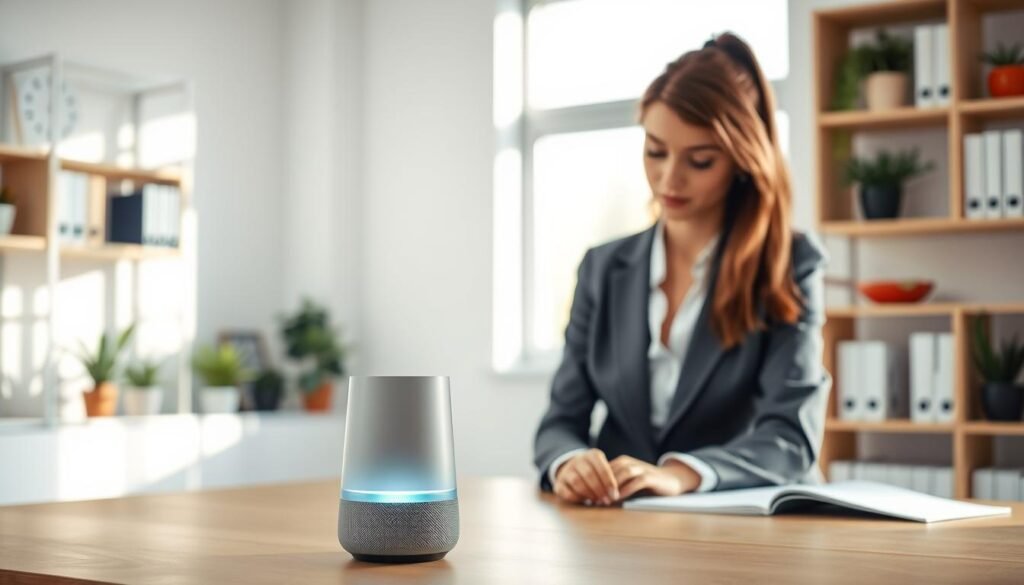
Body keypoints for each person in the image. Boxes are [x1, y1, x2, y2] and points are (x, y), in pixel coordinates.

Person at [533, 32, 831, 506]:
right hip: (621, 527)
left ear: (741, 160)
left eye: (700, 160)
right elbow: (559, 423)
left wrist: (678, 474)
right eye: (655, 151)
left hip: (747, 527)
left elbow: (790, 438)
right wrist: (569, 462)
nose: (669, 178)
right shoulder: (602, 267)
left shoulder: (790, 264)